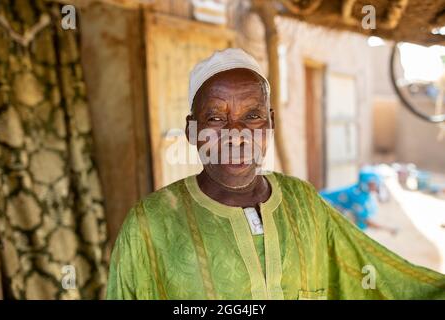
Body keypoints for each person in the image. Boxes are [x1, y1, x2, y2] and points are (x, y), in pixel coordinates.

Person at [106, 48, 445, 299]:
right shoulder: (149, 225)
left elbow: (381, 278)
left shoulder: (306, 204)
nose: (236, 133)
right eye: (216, 118)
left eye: (252, 116)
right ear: (192, 130)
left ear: (270, 123)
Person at [320, 167, 398, 235]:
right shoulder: (357, 197)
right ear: (365, 182)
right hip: (321, 204)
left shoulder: (360, 190)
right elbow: (367, 221)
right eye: (372, 184)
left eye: (376, 183)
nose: (376, 186)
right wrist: (388, 229)